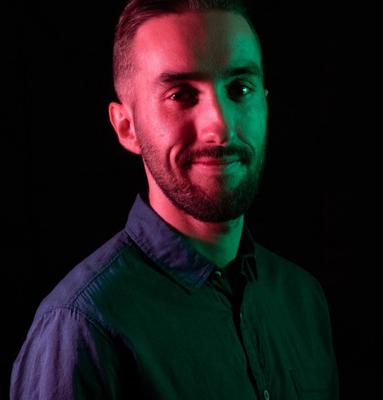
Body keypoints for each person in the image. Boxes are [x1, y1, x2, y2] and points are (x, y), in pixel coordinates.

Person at [11, 0, 339, 399]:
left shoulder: (301, 298)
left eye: (240, 89)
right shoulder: (83, 326)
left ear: (265, 104)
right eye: (180, 94)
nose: (220, 125)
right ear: (127, 127)